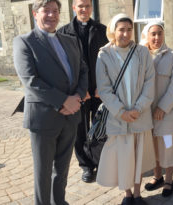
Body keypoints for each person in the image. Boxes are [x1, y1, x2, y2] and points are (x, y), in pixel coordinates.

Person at [13, 0, 88, 204]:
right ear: (35, 13)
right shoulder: (24, 42)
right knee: (43, 172)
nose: (52, 15)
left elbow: (83, 70)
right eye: (46, 10)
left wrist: (78, 98)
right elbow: (30, 81)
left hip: (71, 116)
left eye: (55, 11)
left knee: (62, 169)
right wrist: (64, 101)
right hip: (44, 118)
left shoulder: (70, 40)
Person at [95, 13, 155, 205]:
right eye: (121, 29)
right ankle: (128, 194)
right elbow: (103, 88)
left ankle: (137, 194)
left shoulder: (142, 52)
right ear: (113, 30)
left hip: (140, 115)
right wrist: (121, 112)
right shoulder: (104, 55)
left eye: (129, 29)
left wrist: (138, 108)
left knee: (138, 158)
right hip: (118, 118)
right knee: (124, 159)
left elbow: (149, 82)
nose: (126, 34)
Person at [57, 0, 109, 183]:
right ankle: (86, 166)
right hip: (77, 92)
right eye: (80, 6)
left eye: (87, 6)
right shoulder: (63, 33)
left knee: (100, 128)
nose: (84, 9)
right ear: (73, 8)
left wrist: (102, 87)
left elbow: (108, 61)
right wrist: (79, 91)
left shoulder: (103, 30)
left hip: (98, 91)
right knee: (79, 130)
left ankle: (100, 161)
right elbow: (63, 66)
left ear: (91, 8)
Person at [139, 22, 173, 197]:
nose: (157, 38)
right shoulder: (141, 55)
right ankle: (157, 176)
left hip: (167, 114)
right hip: (146, 113)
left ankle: (169, 180)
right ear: (147, 35)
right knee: (153, 148)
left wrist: (163, 107)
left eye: (160, 34)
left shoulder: (172, 56)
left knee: (168, 147)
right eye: (153, 34)